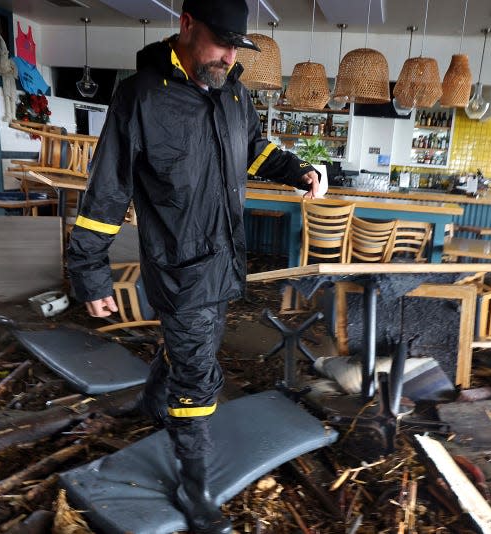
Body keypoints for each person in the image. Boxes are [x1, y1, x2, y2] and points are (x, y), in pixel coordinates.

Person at [66, 0, 319, 531]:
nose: (229, 55)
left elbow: (251, 149)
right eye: (221, 42)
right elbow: (108, 190)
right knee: (199, 374)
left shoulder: (233, 93)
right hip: (179, 264)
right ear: (185, 25)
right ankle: (194, 480)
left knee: (190, 347)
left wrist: (296, 171)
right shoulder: (139, 98)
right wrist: (89, 270)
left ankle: (151, 403)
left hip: (225, 257)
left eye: (236, 46)